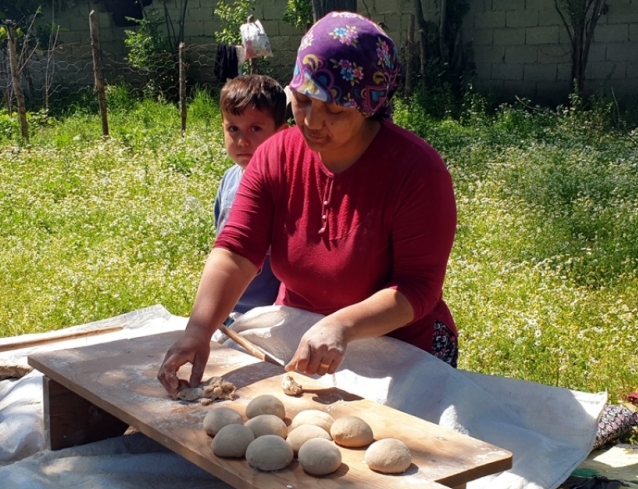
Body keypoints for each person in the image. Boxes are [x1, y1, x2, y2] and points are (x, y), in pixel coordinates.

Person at [158, 12, 458, 396]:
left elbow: (418, 288)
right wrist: (198, 330)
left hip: (399, 351)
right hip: (298, 333)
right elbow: (236, 249)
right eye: (301, 101)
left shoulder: (416, 171)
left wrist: (342, 325)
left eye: (335, 111)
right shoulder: (277, 155)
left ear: (369, 107)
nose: (312, 121)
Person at [214, 74, 286, 319]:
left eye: (255, 128)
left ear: (282, 133)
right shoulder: (229, 180)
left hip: (272, 316)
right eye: (233, 128)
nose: (243, 141)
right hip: (229, 312)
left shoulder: (287, 186)